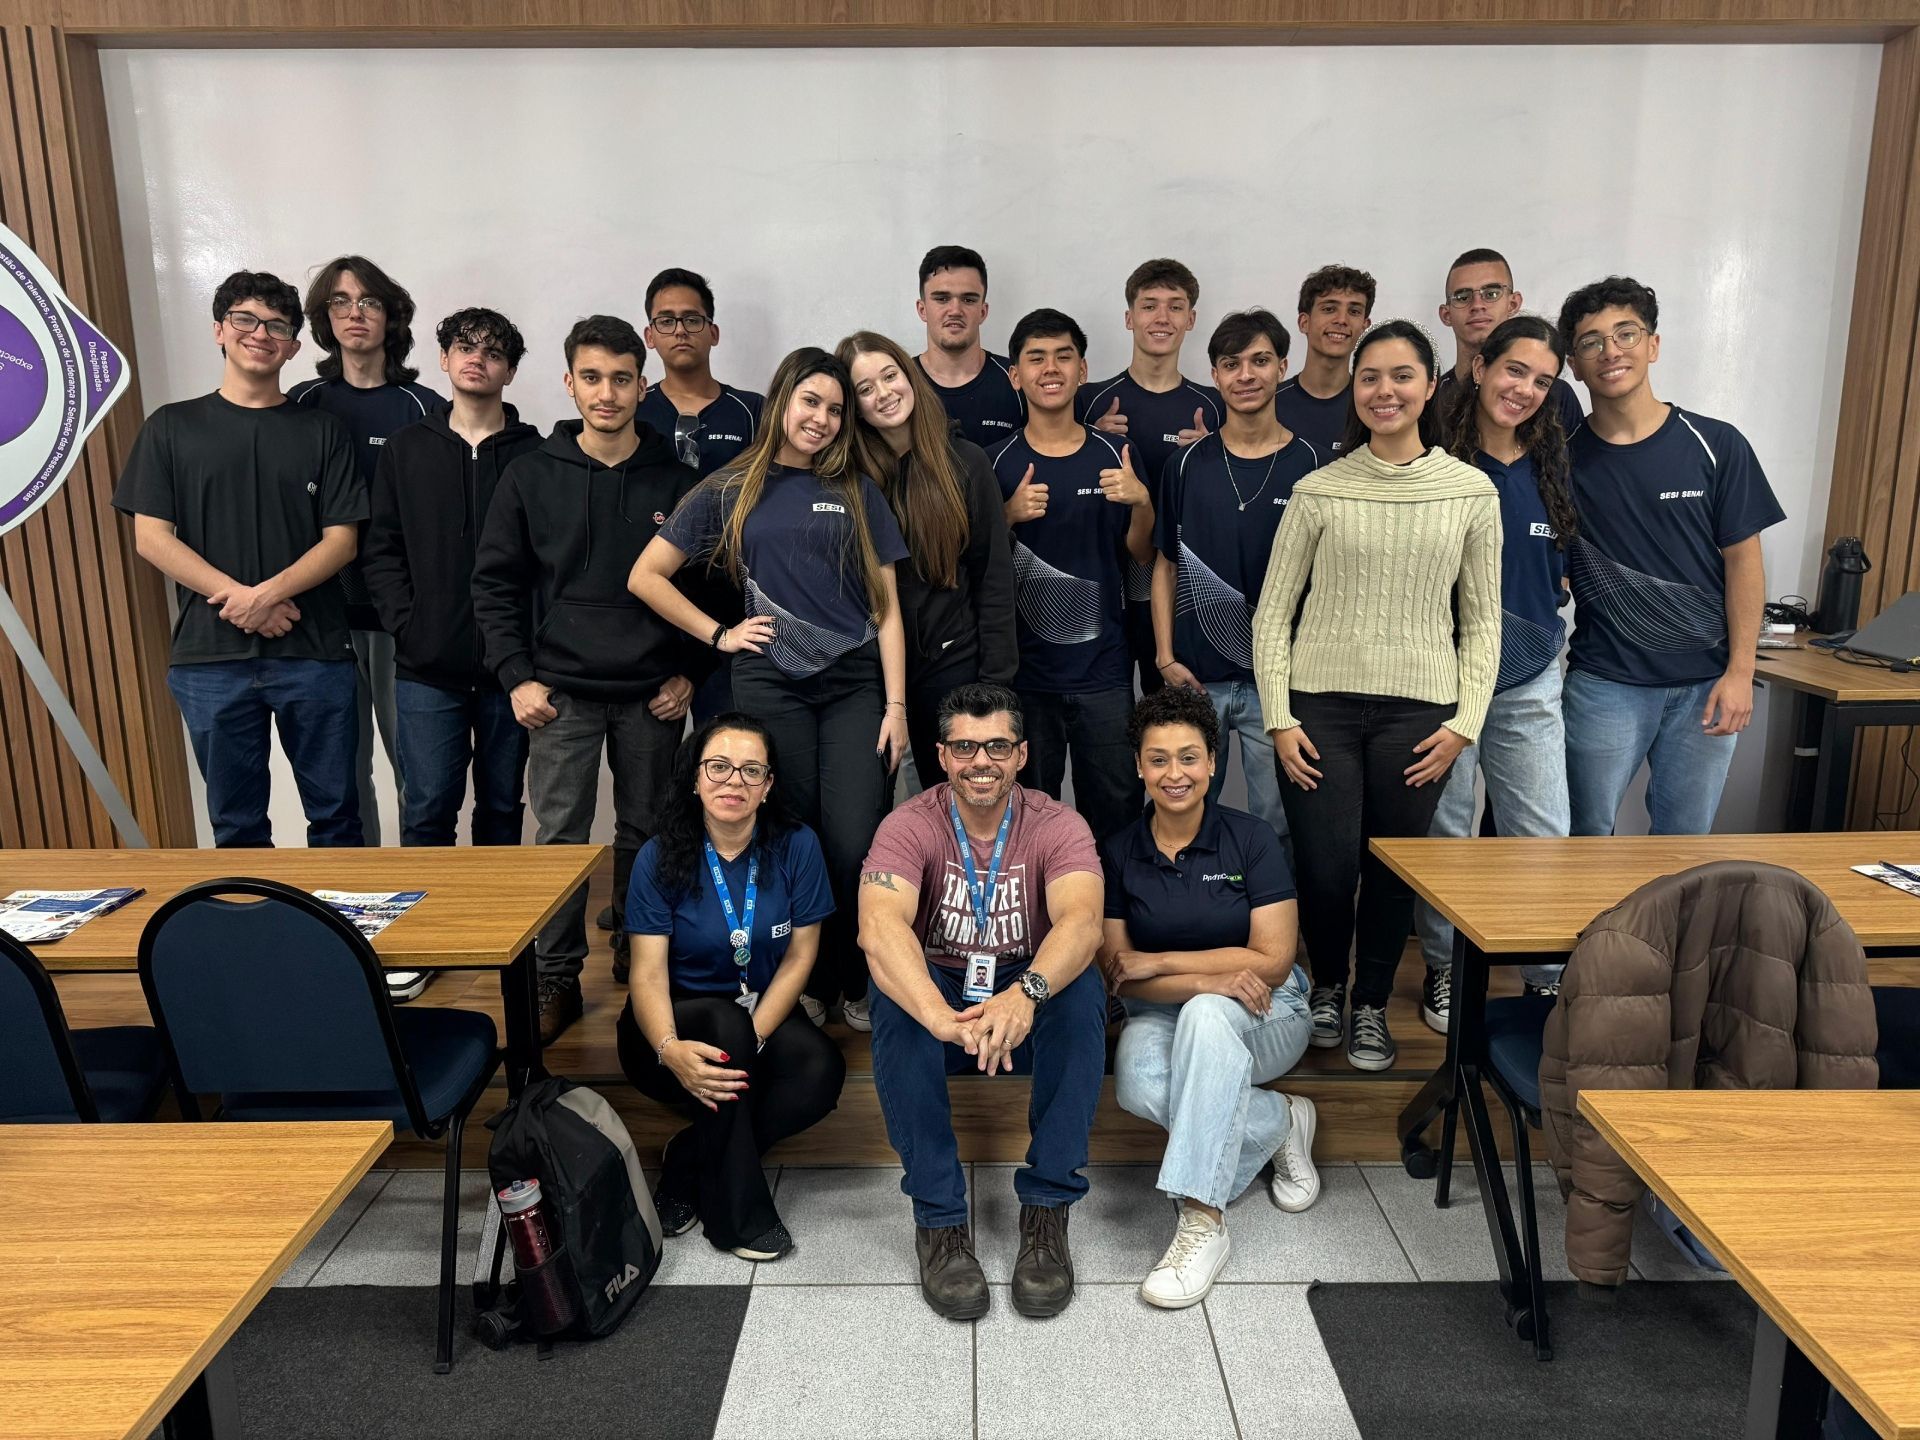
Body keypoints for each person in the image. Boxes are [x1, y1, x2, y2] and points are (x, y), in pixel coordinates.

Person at [632, 347, 911, 1033]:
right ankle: (803, 984)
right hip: (768, 681)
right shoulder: (732, 487)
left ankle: (855, 979)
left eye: (835, 410)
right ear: (783, 399)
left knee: (853, 840)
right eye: (810, 401)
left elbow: (888, 610)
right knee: (789, 834)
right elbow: (647, 576)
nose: (820, 418)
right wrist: (721, 635)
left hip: (852, 685)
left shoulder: (857, 489)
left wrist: (897, 705)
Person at [1253, 320, 1501, 1072]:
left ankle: (1370, 1007)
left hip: (1421, 716)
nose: (1385, 391)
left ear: (1431, 386)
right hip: (1319, 706)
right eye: (1370, 378)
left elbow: (1483, 620)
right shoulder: (1319, 488)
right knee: (1326, 867)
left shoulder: (1470, 490)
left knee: (1395, 867)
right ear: (1354, 391)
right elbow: (1273, 613)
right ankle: (1327, 985)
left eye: (1401, 376)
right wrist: (1279, 718)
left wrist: (1464, 725)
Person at [472, 314, 703, 1043]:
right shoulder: (531, 475)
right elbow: (495, 585)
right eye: (592, 378)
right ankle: (555, 978)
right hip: (559, 693)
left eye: (623, 378)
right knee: (562, 840)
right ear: (569, 383)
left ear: (644, 383)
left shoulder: (681, 480)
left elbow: (714, 588)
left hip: (651, 694)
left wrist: (690, 671)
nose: (608, 393)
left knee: (647, 835)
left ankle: (640, 968)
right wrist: (516, 676)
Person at [858, 683, 1106, 1321]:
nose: (981, 762)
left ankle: (1047, 1211)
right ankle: (940, 1222)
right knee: (893, 998)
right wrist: (937, 1015)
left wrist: (1025, 994)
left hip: (1027, 982)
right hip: (942, 986)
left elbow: (1081, 924)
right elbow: (880, 928)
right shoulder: (907, 825)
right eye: (965, 747)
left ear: (1021, 754)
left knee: (1079, 990)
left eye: (997, 746)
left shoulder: (1059, 824)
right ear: (942, 756)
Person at [114, 270, 362, 848]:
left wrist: (266, 597)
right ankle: (258, 937)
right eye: (246, 320)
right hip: (210, 659)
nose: (261, 334)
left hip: (315, 652)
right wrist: (246, 602)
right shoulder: (171, 427)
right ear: (220, 331)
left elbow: (341, 541)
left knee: (337, 820)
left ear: (295, 346)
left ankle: (343, 939)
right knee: (237, 826)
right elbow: (152, 538)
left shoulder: (323, 431)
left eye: (277, 325)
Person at [1101, 687, 1319, 1308]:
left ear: (1214, 762)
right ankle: (1279, 1122)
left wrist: (1167, 961)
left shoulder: (1250, 838)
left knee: (1205, 1014)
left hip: (1266, 1015)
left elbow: (1273, 962)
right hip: (1161, 1010)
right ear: (1139, 767)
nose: (1176, 774)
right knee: (1139, 1085)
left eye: (1189, 757)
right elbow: (1120, 973)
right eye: (1159, 759)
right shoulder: (1118, 851)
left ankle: (1202, 1220)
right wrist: (1212, 975)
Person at [1557, 276, 1783, 837]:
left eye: (1625, 333)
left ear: (1652, 345)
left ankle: (1668, 933)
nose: (1611, 351)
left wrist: (1741, 670)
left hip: (1706, 685)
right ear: (1574, 366)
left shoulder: (1716, 443)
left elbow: (1745, 563)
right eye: (1591, 342)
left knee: (1684, 847)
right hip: (1605, 682)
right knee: (1584, 841)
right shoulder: (1559, 462)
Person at [616, 713, 845, 1262]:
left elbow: (801, 956)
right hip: (669, 1026)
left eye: (750, 771)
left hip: (757, 1015)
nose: (732, 782)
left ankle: (687, 1161)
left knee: (821, 1070)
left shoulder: (796, 845)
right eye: (718, 767)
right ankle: (737, 1216)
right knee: (721, 1024)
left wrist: (756, 1033)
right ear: (695, 779)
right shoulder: (658, 855)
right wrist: (669, 1051)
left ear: (768, 787)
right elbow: (646, 974)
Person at [363, 307, 541, 1000]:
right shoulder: (407, 448)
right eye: (465, 348)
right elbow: (382, 551)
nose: (478, 360)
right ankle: (422, 940)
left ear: (510, 370)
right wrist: (408, 626)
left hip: (511, 672)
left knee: (501, 806)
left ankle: (494, 933)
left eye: (494, 352)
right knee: (429, 806)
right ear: (443, 360)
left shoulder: (536, 452)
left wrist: (527, 651)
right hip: (425, 667)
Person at [1415, 315, 1579, 1033]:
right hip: (1443, 680)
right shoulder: (1431, 465)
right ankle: (1445, 969)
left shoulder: (1552, 468)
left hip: (1529, 681)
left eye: (1543, 381)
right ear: (1480, 368)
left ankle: (1546, 981)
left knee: (1542, 833)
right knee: (1445, 836)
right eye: (1516, 371)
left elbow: (1561, 563)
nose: (1526, 390)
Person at [290, 256, 446, 850]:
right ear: (324, 318)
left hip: (399, 618)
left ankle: (420, 900)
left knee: (417, 774)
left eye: (370, 302)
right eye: (340, 302)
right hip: (318, 616)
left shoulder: (423, 406)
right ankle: (354, 910)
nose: (356, 314)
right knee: (341, 779)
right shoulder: (302, 402)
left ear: (391, 316)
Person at [1152, 308, 1320, 846]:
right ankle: (1189, 926)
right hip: (1195, 679)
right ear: (1216, 376)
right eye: (1231, 364)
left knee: (1279, 823)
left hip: (1277, 684)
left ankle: (1278, 928)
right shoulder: (1185, 463)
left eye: (1260, 361)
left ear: (1282, 367)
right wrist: (1164, 657)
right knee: (1182, 818)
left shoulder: (1311, 466)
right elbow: (1165, 564)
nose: (1245, 375)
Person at [989, 308, 1153, 844]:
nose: (1050, 368)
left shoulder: (1116, 455)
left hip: (1104, 672)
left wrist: (1142, 502)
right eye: (1036, 358)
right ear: (1015, 375)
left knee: (1117, 812)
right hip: (1024, 677)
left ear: (1083, 370)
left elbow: (1143, 556)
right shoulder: (994, 463)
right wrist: (1005, 516)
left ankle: (1116, 927)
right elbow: (970, 566)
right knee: (1026, 821)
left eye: (1063, 356)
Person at [836, 329, 1018, 782]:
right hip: (867, 677)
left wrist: (993, 688)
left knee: (957, 813)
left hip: (954, 668)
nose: (883, 393)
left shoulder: (966, 462)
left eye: (890, 375)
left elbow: (993, 576)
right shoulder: (846, 477)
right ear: (852, 405)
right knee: (869, 822)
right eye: (864, 388)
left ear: (910, 375)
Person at [1081, 258, 1223, 698]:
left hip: (1178, 593)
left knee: (1173, 727)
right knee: (1109, 727)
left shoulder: (1216, 406)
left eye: (1175, 307)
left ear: (1191, 319)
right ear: (1129, 318)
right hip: (1108, 590)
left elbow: (1232, 499)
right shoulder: (1089, 401)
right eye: (1149, 306)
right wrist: (1090, 440)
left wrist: (1213, 455)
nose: (1162, 318)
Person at [1433, 248, 1583, 439]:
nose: (1478, 305)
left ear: (1513, 304)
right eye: (1463, 297)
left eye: (1491, 294)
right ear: (1447, 314)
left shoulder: (1557, 395)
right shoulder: (1431, 398)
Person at [913, 245, 1024, 449]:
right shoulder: (900, 385)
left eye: (968, 299)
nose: (955, 310)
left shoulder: (1018, 380)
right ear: (922, 310)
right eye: (942, 299)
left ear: (983, 311)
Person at [1272, 264, 1374, 458]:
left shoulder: (1375, 404)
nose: (1342, 320)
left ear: (1364, 327)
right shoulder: (1269, 402)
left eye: (1354, 311)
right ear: (1304, 322)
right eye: (1329, 309)